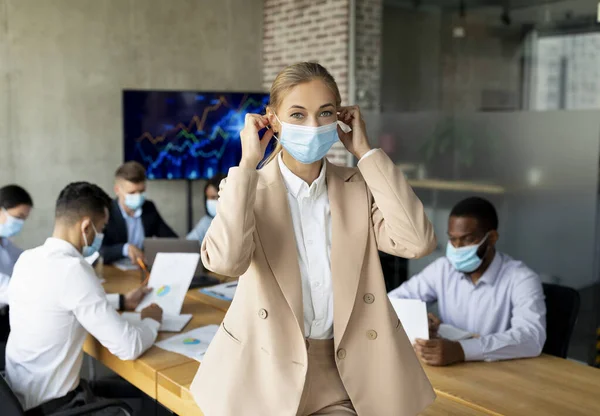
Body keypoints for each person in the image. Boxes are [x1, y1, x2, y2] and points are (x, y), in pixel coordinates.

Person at [190, 62, 437, 416]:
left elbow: (417, 241)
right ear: (272, 120)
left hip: (345, 374)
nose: (313, 126)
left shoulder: (360, 186)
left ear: (340, 118)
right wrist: (247, 164)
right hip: (263, 373)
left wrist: (367, 154)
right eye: (297, 114)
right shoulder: (246, 188)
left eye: (324, 113)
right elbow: (227, 263)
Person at [6, 181, 163, 413]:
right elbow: (128, 346)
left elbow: (58, 304)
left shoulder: (29, 258)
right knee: (148, 403)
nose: (102, 235)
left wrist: (121, 300)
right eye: (102, 228)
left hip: (17, 399)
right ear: (86, 227)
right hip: (55, 407)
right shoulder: (73, 269)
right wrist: (152, 320)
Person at [389, 197, 546, 366]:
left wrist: (461, 350)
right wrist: (418, 320)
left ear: (492, 238)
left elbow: (531, 337)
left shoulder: (521, 278)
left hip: (500, 372)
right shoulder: (443, 268)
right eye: (453, 239)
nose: (458, 248)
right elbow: (391, 302)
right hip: (449, 370)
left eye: (468, 239)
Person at [100, 161, 177, 265]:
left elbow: (171, 239)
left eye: (141, 191)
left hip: (141, 269)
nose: (138, 196)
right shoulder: (107, 212)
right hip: (114, 272)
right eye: (132, 193)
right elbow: (98, 252)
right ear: (117, 190)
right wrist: (125, 249)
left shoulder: (149, 208)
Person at [0, 185, 33, 309]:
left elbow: (26, 260)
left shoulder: (5, 244)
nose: (20, 223)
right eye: (18, 217)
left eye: (24, 219)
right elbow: (3, 287)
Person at [186, 173, 226, 242]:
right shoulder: (206, 222)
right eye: (211, 198)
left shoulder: (241, 222)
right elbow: (187, 244)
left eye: (218, 197)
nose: (215, 201)